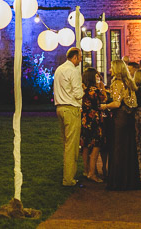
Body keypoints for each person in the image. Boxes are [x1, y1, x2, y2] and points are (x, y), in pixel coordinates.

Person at [105, 59, 140, 191]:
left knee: (118, 147)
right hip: (129, 117)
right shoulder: (129, 82)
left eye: (112, 68)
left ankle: (118, 181)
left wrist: (104, 106)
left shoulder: (117, 82)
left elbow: (116, 103)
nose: (110, 70)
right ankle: (129, 179)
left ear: (117, 69)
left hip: (120, 118)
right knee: (129, 148)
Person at [53, 46, 84, 187]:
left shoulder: (59, 69)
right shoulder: (73, 71)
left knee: (66, 143)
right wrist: (84, 90)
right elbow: (78, 94)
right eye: (80, 57)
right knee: (72, 146)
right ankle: (68, 179)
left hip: (59, 108)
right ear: (75, 57)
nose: (81, 60)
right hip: (71, 109)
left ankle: (67, 174)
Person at [80, 67, 106, 183]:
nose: (98, 78)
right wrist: (102, 88)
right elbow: (103, 99)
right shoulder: (94, 91)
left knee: (85, 146)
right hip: (95, 121)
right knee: (96, 146)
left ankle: (86, 170)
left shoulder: (84, 90)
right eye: (96, 76)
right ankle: (92, 173)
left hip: (85, 120)